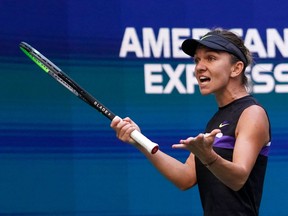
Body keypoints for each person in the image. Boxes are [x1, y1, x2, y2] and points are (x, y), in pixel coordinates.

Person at [110, 28, 271, 216]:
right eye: (197, 60)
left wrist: (208, 156)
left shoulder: (252, 113)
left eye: (210, 58)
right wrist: (139, 142)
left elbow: (238, 178)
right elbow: (186, 178)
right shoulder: (217, 120)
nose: (199, 67)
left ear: (236, 68)